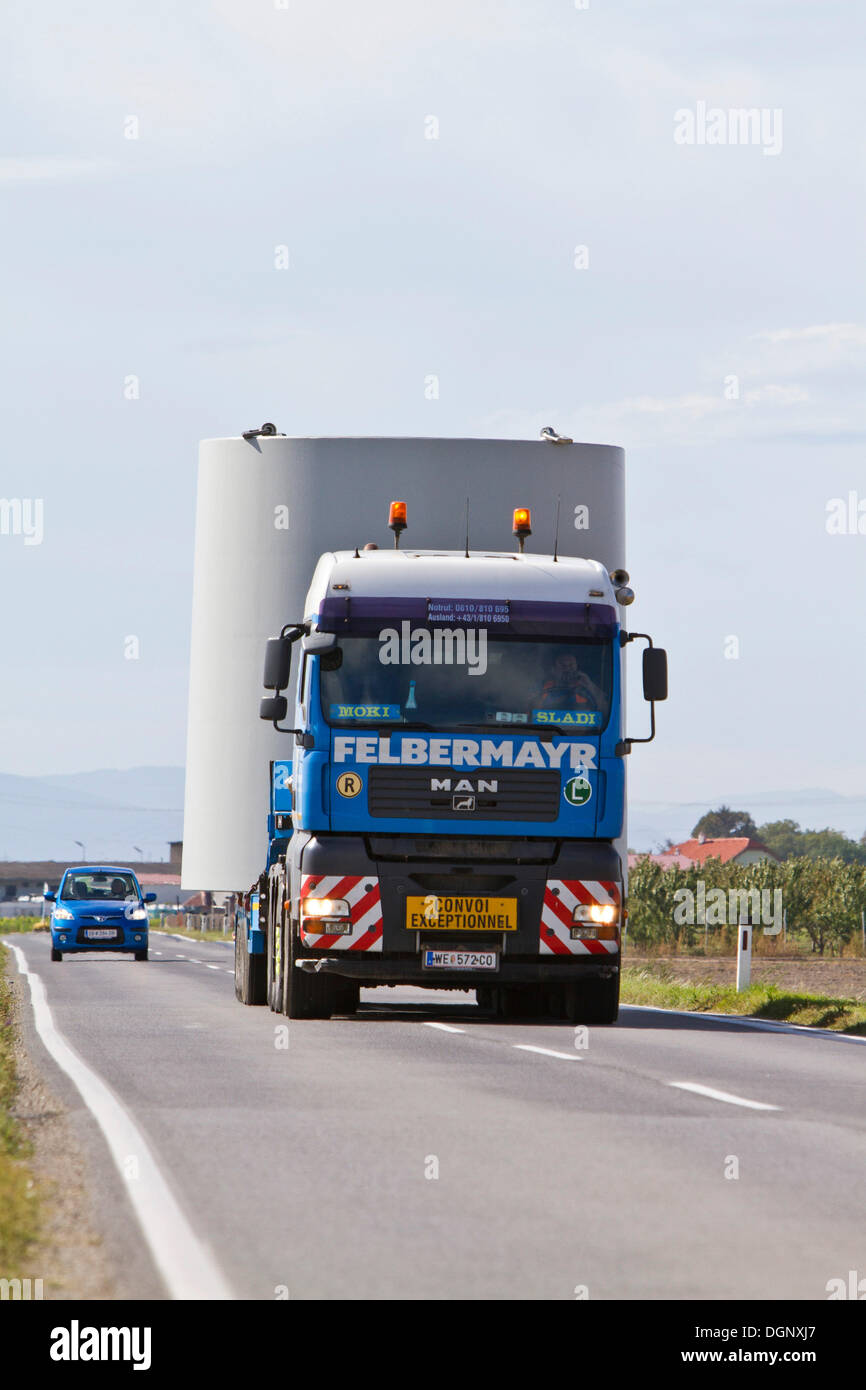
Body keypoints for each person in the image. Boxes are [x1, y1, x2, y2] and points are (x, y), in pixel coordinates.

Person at [535, 650, 604, 710]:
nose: (567, 669)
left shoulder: (586, 688)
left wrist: (590, 686)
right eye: (562, 665)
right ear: (553, 669)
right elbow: (531, 712)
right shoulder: (543, 688)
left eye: (571, 665)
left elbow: (604, 710)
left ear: (577, 667)